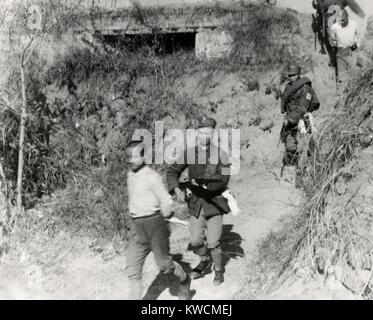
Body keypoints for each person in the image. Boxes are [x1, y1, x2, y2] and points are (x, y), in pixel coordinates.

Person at [166, 116, 230, 286]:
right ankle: (204, 259)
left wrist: (206, 185)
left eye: (207, 131)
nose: (204, 135)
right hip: (196, 204)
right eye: (201, 131)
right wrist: (176, 188)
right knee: (195, 241)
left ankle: (218, 270)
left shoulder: (220, 154)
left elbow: (224, 179)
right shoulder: (190, 153)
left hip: (214, 203)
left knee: (213, 241)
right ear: (197, 133)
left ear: (213, 133)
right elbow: (172, 171)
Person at [125, 140, 191, 300]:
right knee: (133, 271)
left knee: (164, 264)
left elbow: (166, 200)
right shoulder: (130, 175)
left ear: (144, 157)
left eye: (135, 156)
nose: (131, 160)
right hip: (137, 228)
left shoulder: (151, 176)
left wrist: (165, 217)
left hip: (155, 225)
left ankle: (184, 278)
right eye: (128, 157)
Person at [280, 65, 320, 186]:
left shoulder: (305, 88)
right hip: (291, 124)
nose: (291, 77)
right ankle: (293, 173)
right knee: (291, 146)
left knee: (303, 149)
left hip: (302, 123)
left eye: (293, 75)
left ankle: (303, 178)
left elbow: (302, 108)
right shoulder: (289, 87)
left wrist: (290, 119)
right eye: (290, 75)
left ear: (298, 74)